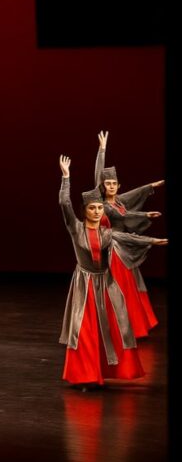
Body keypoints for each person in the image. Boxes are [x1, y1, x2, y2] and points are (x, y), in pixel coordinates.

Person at [57, 155, 166, 389]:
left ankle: (108, 370)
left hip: (106, 284)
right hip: (85, 284)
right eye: (92, 208)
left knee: (114, 328)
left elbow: (126, 236)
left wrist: (153, 241)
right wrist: (66, 178)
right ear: (85, 211)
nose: (97, 211)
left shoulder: (107, 233)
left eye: (99, 208)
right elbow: (65, 204)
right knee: (84, 329)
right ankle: (85, 376)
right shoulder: (76, 228)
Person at [93, 131, 165, 337]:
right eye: (107, 184)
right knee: (119, 285)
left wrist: (150, 187)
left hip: (125, 246)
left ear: (118, 186)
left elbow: (134, 195)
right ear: (103, 187)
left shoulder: (119, 200)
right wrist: (102, 150)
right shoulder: (103, 204)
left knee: (131, 283)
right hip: (113, 247)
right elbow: (122, 214)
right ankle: (117, 327)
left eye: (114, 184)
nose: (111, 186)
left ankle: (136, 325)